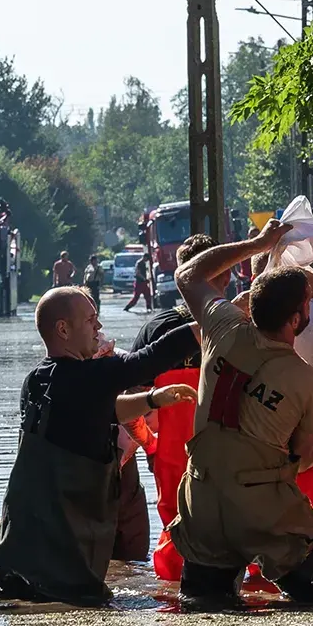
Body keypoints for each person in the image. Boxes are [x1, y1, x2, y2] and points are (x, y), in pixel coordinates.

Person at [170, 221, 313, 609]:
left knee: (203, 610)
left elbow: (188, 273)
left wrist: (259, 243)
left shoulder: (221, 327)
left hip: (200, 499)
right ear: (297, 319)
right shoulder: (308, 380)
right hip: (264, 509)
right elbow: (303, 457)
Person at [0, 287, 200, 605]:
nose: (98, 329)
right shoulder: (92, 375)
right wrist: (208, 322)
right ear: (63, 329)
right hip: (62, 567)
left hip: (14, 554)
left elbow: (99, 409)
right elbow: (149, 359)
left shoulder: (39, 377)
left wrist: (151, 399)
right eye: (91, 321)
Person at [133, 234, 219, 581]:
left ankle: (173, 606)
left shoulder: (157, 328)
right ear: (223, 273)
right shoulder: (239, 323)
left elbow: (130, 400)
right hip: (232, 450)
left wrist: (149, 444)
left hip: (172, 457)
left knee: (175, 529)